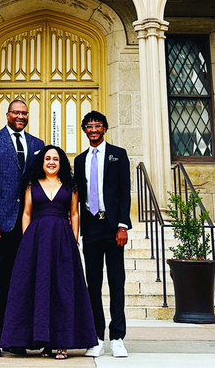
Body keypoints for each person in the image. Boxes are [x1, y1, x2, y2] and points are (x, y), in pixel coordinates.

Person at [0, 145, 98, 359]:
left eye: (55, 159)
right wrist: (27, 240)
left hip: (63, 240)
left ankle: (62, 343)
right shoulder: (31, 185)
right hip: (37, 240)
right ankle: (43, 342)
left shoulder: (70, 186)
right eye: (47, 159)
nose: (51, 162)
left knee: (61, 289)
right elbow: (27, 213)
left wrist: (73, 241)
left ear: (61, 162)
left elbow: (74, 214)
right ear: (42, 163)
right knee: (39, 289)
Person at [0, 99, 44, 358]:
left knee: (21, 283)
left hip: (27, 226)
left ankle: (15, 338)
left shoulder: (37, 145)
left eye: (25, 113)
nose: (21, 116)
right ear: (7, 114)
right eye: (16, 112)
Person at [73, 111, 131, 359]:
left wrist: (122, 225)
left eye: (97, 126)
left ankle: (117, 337)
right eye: (89, 126)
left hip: (112, 226)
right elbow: (77, 198)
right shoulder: (79, 160)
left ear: (105, 129)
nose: (93, 130)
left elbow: (124, 192)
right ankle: (96, 336)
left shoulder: (118, 154)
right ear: (84, 130)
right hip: (91, 227)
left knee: (117, 282)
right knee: (93, 284)